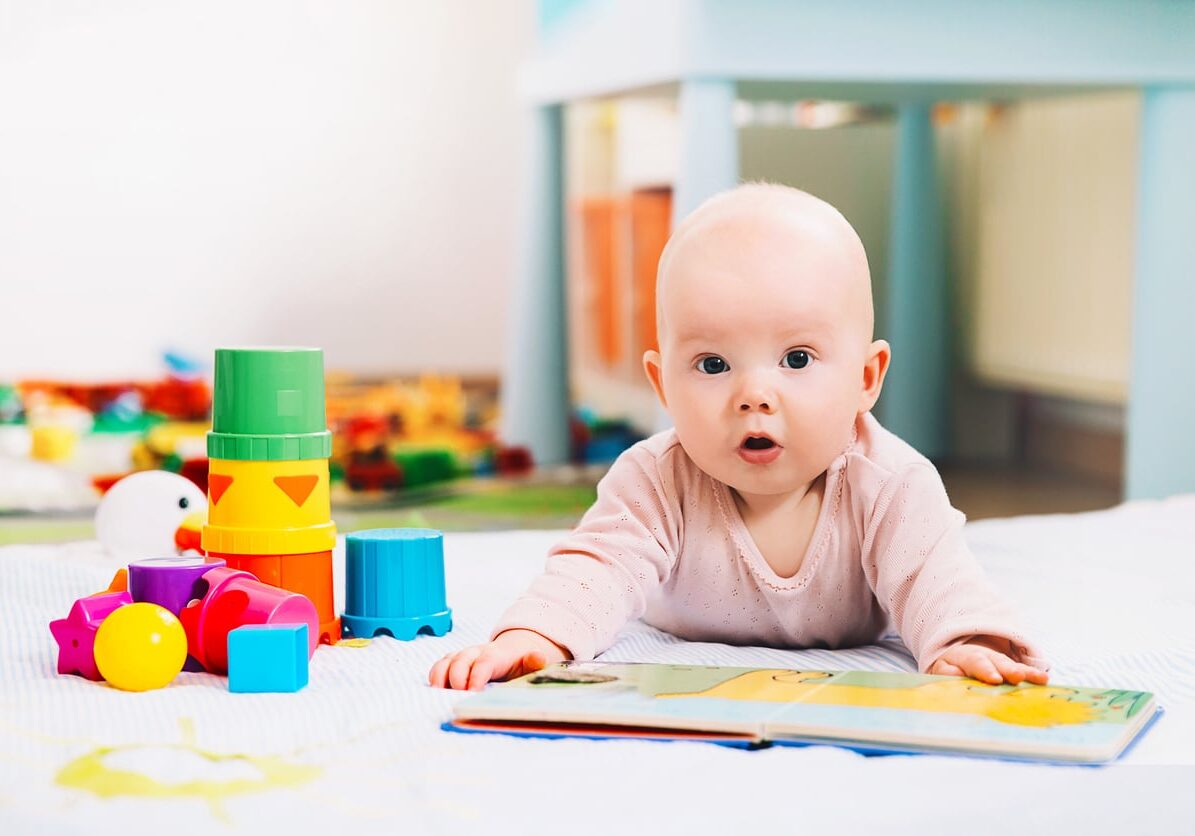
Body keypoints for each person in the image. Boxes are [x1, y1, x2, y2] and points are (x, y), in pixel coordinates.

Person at [430, 183, 1048, 692]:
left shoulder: (891, 485)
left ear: (866, 378)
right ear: (663, 385)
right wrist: (536, 635)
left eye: (798, 359)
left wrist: (969, 641)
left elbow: (936, 577)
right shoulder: (656, 478)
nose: (754, 394)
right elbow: (597, 567)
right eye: (713, 365)